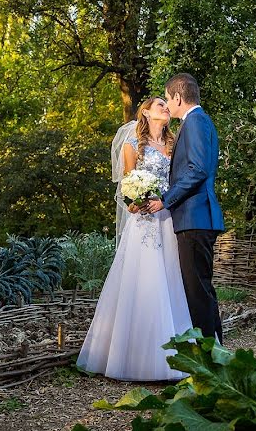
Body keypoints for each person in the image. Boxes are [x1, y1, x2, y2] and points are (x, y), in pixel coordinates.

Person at [75, 97, 192, 381]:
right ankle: (135, 358)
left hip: (168, 220)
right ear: (147, 113)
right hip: (143, 224)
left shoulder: (175, 145)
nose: (166, 108)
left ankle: (176, 356)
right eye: (161, 105)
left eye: (167, 105)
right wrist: (135, 203)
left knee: (171, 284)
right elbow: (128, 188)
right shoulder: (132, 147)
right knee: (142, 284)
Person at [142, 73, 225, 343]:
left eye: (167, 98)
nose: (167, 104)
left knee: (197, 293)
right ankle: (217, 355)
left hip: (194, 217)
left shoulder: (196, 122)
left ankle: (208, 360)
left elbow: (197, 169)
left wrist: (166, 199)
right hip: (196, 218)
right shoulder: (198, 122)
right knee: (201, 290)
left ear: (178, 97)